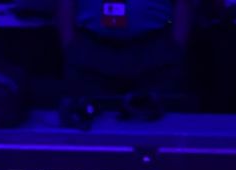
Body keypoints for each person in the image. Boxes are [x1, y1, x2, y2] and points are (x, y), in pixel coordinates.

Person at [58, 0, 191, 109]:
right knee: (89, 127)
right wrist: (70, 46)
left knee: (159, 127)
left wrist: (176, 47)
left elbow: (183, 3)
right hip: (90, 50)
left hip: (155, 51)